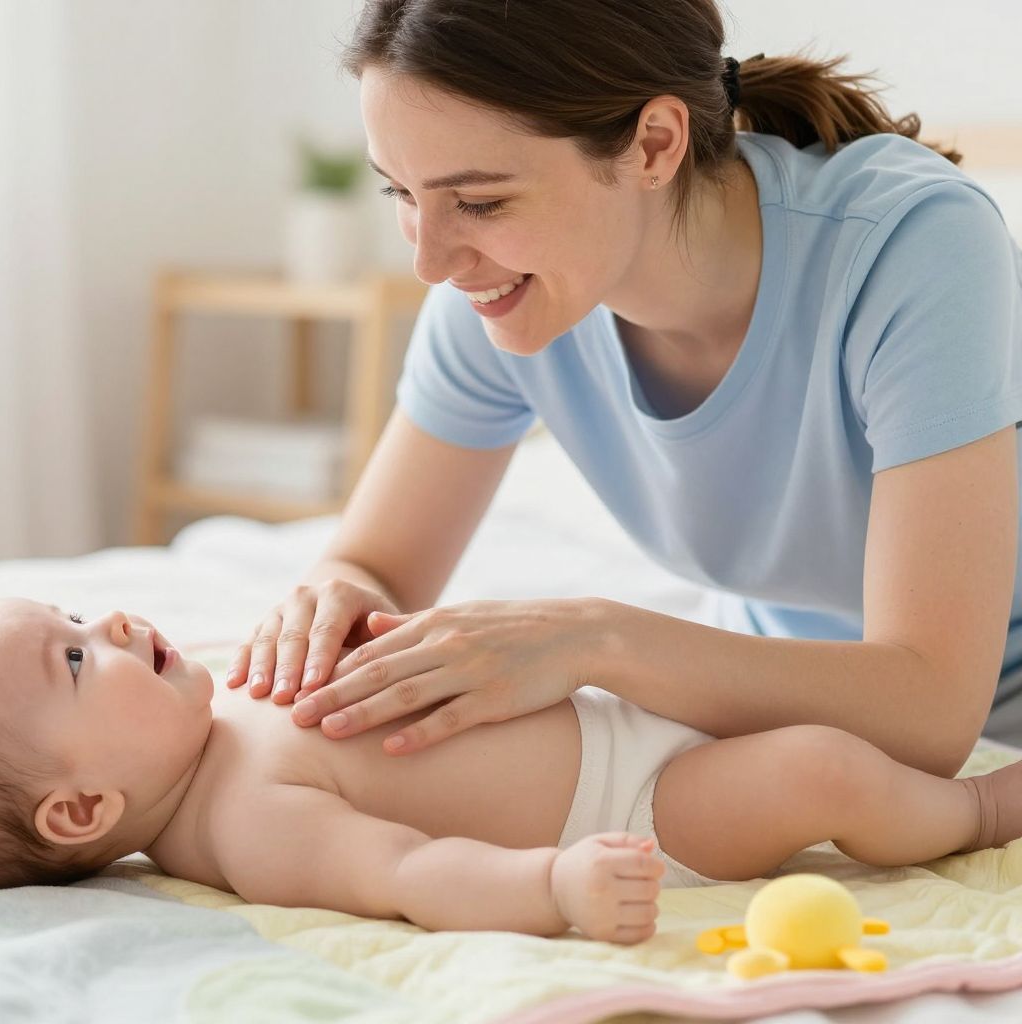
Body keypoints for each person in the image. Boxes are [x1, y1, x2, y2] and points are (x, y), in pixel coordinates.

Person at [226, 0, 1022, 774]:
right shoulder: (496, 295)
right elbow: (376, 568)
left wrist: (594, 639)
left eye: (480, 201)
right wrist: (331, 602)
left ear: (653, 144)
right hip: (774, 711)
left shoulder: (913, 250)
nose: (430, 262)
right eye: (400, 192)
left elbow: (934, 711)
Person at [0, 599, 1022, 942]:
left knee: (795, 690)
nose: (110, 619)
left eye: (75, 615)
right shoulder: (248, 819)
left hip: (619, 706)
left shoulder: (205, 721)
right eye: (74, 654)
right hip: (639, 803)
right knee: (820, 770)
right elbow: (410, 870)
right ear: (83, 806)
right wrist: (555, 888)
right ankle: (972, 806)